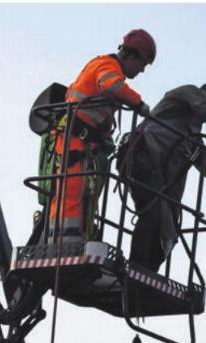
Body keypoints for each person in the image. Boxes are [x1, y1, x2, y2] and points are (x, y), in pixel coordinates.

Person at [123, 83, 206, 272]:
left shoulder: (192, 140)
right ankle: (135, 270)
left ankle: (147, 274)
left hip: (156, 175)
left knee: (169, 230)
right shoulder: (188, 92)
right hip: (140, 154)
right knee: (154, 211)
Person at [48, 29, 156, 244]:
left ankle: (73, 240)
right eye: (142, 64)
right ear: (131, 56)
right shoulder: (107, 66)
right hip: (74, 138)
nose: (142, 70)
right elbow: (110, 85)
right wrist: (139, 104)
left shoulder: (108, 66)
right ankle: (63, 244)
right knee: (71, 190)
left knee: (81, 193)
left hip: (83, 140)